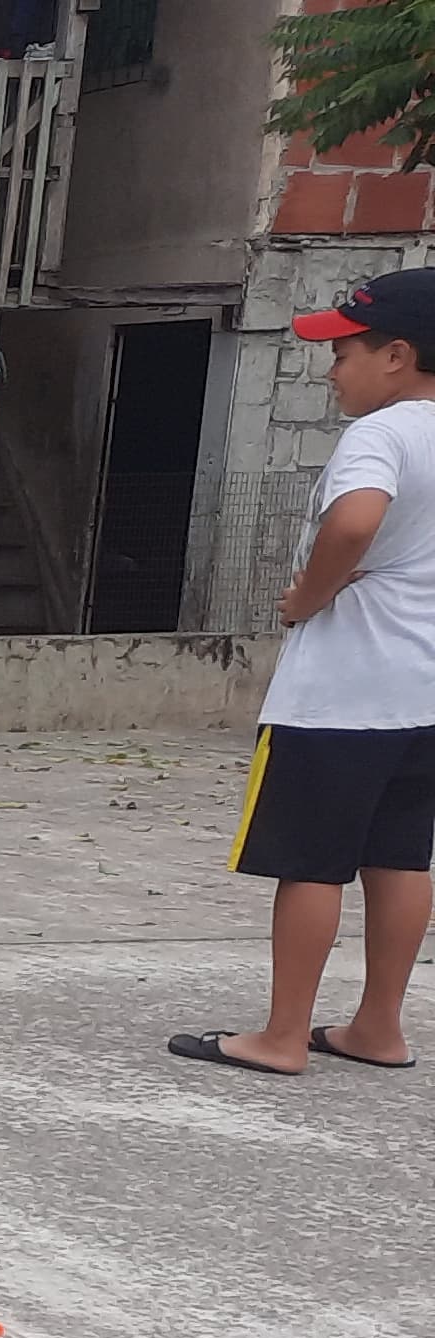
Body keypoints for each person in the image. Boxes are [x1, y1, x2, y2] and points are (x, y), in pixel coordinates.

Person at [169, 268, 435, 1076]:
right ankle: (378, 1028)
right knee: (400, 858)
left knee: (311, 863)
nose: (332, 370)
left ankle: (283, 1036)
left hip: (342, 692)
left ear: (397, 355)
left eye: (345, 353)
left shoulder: (382, 434)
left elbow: (354, 522)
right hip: (423, 692)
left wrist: (310, 596)